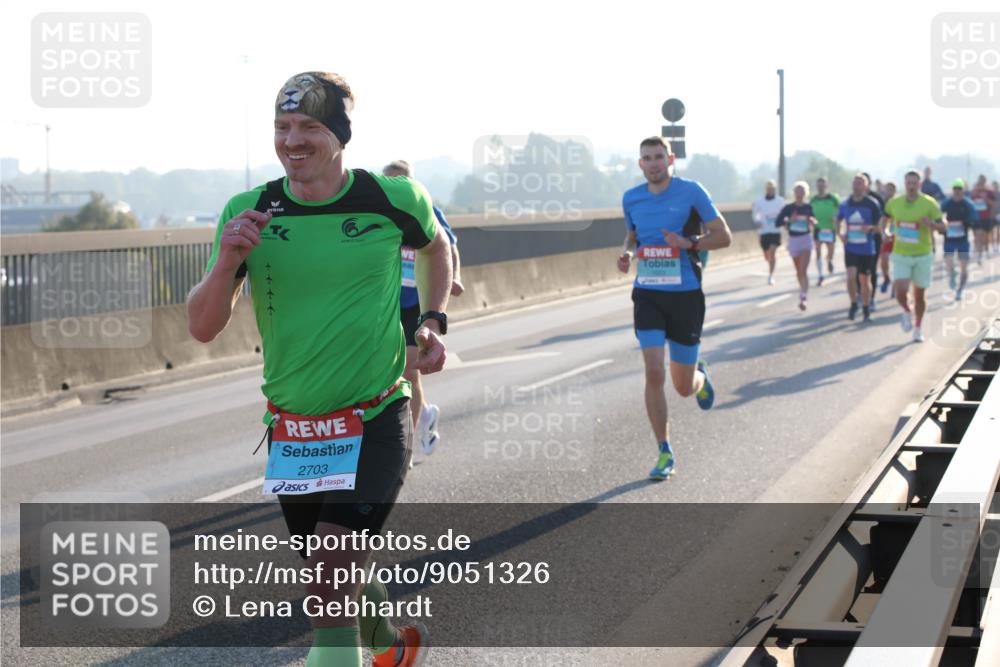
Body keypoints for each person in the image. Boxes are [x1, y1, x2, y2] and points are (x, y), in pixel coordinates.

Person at [187, 71, 453, 667]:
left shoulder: (391, 198)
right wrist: (229, 257)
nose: (292, 140)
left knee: (328, 582)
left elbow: (437, 246)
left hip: (376, 416)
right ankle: (389, 641)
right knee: (332, 570)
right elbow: (201, 327)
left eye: (309, 126)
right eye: (283, 128)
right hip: (297, 431)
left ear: (340, 135)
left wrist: (432, 319)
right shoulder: (249, 211)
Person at [617, 136, 732, 480]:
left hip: (685, 295)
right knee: (654, 371)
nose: (653, 164)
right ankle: (664, 451)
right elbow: (633, 235)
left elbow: (724, 236)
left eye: (658, 157)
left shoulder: (691, 191)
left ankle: (699, 376)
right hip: (648, 293)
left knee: (682, 386)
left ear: (670, 159)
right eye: (646, 158)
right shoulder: (631, 198)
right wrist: (626, 253)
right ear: (640, 164)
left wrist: (689, 242)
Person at [383, 159, 464, 460]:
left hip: (416, 302)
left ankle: (402, 450)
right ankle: (425, 411)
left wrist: (456, 276)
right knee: (388, 376)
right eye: (386, 183)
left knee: (409, 372)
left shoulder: (424, 209)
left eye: (398, 183)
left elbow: (448, 247)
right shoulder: (376, 214)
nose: (392, 190)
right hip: (385, 301)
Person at [884, 169, 945, 343]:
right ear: (905, 184)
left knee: (919, 295)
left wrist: (931, 224)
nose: (911, 186)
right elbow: (886, 219)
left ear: (919, 184)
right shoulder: (895, 202)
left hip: (922, 254)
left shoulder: (929, 203)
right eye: (908, 183)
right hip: (901, 253)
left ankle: (918, 327)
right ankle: (906, 309)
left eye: (914, 183)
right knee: (900, 291)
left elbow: (943, 226)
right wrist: (886, 231)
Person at [836, 173, 882, 322]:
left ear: (866, 186)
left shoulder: (872, 204)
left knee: (864, 280)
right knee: (850, 276)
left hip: (867, 248)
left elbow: (879, 227)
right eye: (855, 183)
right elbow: (837, 219)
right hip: (851, 247)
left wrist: (869, 228)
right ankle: (853, 303)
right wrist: (840, 234)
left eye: (860, 183)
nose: (857, 186)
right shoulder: (846, 203)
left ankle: (866, 307)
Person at [775, 181, 816, 311]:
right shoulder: (788, 208)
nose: (799, 193)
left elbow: (814, 220)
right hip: (793, 240)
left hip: (805, 239)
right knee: (798, 271)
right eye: (797, 190)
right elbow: (778, 222)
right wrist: (789, 221)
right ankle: (802, 290)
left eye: (802, 191)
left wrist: (812, 221)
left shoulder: (808, 207)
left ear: (806, 193)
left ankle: (803, 297)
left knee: (803, 270)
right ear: (794, 192)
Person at [940, 178, 977, 301]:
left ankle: (960, 290)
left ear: (963, 190)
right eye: (955, 188)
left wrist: (968, 222)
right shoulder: (947, 203)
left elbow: (974, 217)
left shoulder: (967, 204)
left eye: (959, 188)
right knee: (949, 263)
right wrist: (941, 223)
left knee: (964, 267)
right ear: (952, 190)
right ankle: (951, 275)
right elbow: (938, 214)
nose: (957, 191)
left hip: (963, 240)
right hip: (949, 239)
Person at [751, 179, 785, 285]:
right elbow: (755, 213)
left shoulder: (780, 200)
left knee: (772, 252)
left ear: (774, 189)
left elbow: (784, 213)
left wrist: (783, 220)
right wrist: (757, 221)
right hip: (764, 230)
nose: (770, 190)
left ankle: (771, 275)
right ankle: (768, 258)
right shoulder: (759, 201)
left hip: (776, 230)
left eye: (772, 188)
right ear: (766, 189)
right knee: (767, 253)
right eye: (768, 188)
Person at [810, 176, 840, 286]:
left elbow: (840, 210)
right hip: (819, 228)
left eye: (823, 185)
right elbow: (810, 213)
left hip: (830, 228)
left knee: (830, 251)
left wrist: (836, 219)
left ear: (826, 186)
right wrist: (812, 221)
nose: (821, 187)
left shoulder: (833, 198)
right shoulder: (813, 199)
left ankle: (829, 261)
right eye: (819, 185)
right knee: (817, 252)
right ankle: (820, 274)